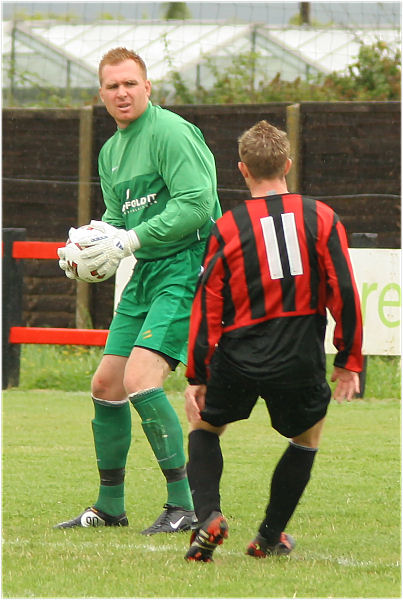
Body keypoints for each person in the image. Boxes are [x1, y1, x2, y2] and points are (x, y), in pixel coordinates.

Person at [56, 47, 221, 534]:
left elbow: (198, 205)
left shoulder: (171, 132)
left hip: (184, 266)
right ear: (102, 95)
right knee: (106, 384)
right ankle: (110, 508)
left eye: (131, 83)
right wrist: (86, 250)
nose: (122, 93)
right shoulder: (110, 152)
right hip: (144, 272)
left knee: (140, 379)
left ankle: (185, 504)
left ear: (148, 87)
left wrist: (130, 239)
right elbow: (114, 220)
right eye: (113, 86)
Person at [183, 120, 363, 562]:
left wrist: (197, 373)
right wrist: (349, 359)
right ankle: (269, 537)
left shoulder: (227, 226)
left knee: (205, 428)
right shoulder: (321, 216)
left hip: (239, 349)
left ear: (242, 170)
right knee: (306, 438)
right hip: (298, 351)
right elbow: (344, 289)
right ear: (288, 164)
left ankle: (208, 516)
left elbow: (207, 301)